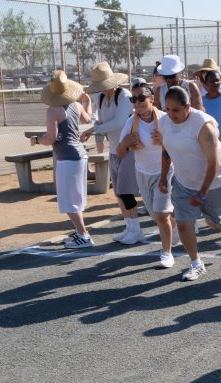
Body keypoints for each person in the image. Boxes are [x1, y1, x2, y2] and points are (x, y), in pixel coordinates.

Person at [157, 86, 221, 281]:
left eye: (175, 110)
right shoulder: (164, 122)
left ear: (188, 107)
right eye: (167, 109)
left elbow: (214, 163)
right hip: (185, 182)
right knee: (184, 224)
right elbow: (166, 150)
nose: (171, 114)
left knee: (214, 224)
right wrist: (163, 176)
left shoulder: (203, 126)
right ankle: (196, 263)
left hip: (215, 181)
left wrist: (202, 192)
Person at [31, 70, 95, 249]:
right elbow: (88, 118)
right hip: (79, 155)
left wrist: (36, 140)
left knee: (69, 200)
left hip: (68, 158)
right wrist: (87, 101)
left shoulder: (53, 110)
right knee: (74, 198)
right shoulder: (75, 105)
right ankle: (81, 232)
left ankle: (83, 235)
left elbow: (51, 138)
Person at [117, 83, 177, 268]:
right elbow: (120, 153)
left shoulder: (166, 119)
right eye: (133, 99)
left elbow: (180, 146)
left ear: (152, 98)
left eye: (141, 98)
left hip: (165, 171)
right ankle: (174, 224)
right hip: (142, 173)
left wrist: (165, 140)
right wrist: (127, 142)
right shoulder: (130, 122)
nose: (137, 102)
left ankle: (166, 253)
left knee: (160, 214)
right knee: (155, 214)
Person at [85, 62, 142, 244]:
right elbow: (100, 119)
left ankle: (136, 229)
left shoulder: (124, 96)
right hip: (114, 149)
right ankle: (129, 226)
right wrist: (97, 130)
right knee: (118, 192)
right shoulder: (100, 98)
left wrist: (94, 129)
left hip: (127, 149)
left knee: (126, 191)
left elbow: (118, 122)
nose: (104, 90)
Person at [197, 67, 221, 138]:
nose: (215, 83)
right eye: (212, 81)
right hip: (208, 140)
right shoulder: (201, 101)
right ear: (206, 84)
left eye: (217, 80)